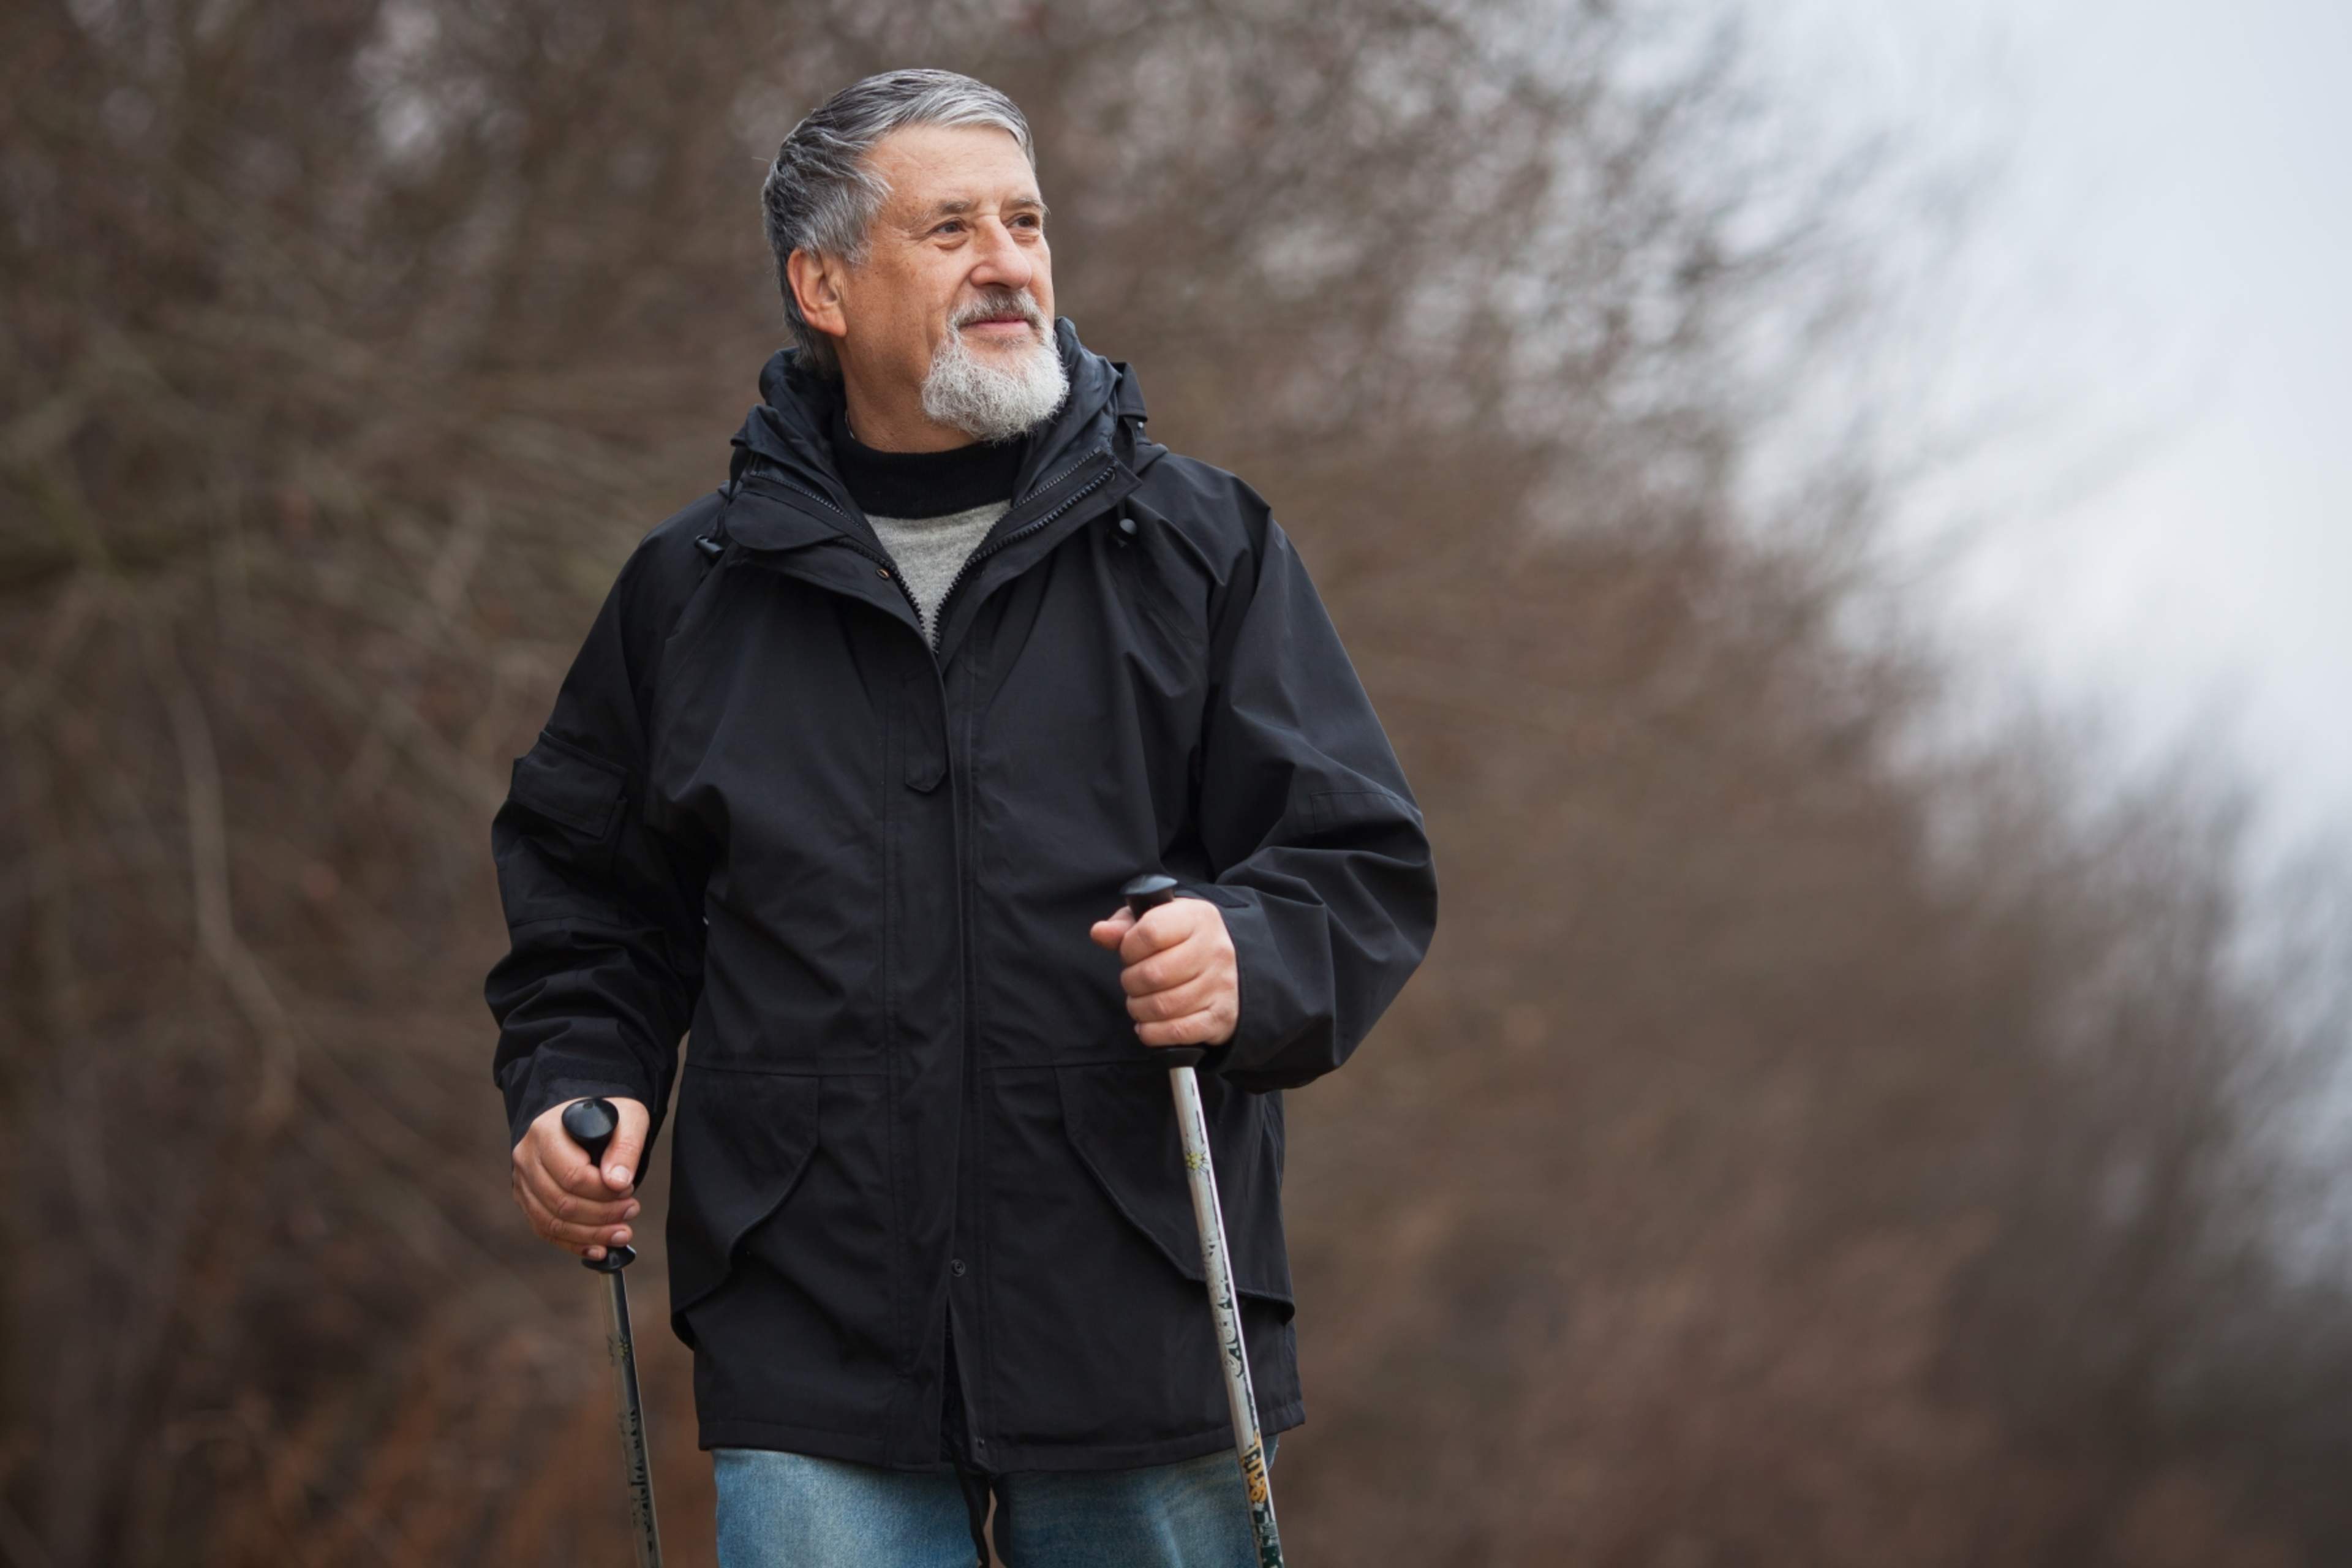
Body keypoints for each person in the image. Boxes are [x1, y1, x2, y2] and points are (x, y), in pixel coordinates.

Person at [486, 68, 1436, 1567]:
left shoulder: (1203, 546)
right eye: (949, 230)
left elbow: (1358, 859)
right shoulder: (693, 590)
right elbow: (592, 902)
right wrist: (575, 1081)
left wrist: (1247, 954)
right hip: (811, 1332)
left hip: (1141, 1310)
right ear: (823, 287)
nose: (1008, 262)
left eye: (1026, 221)